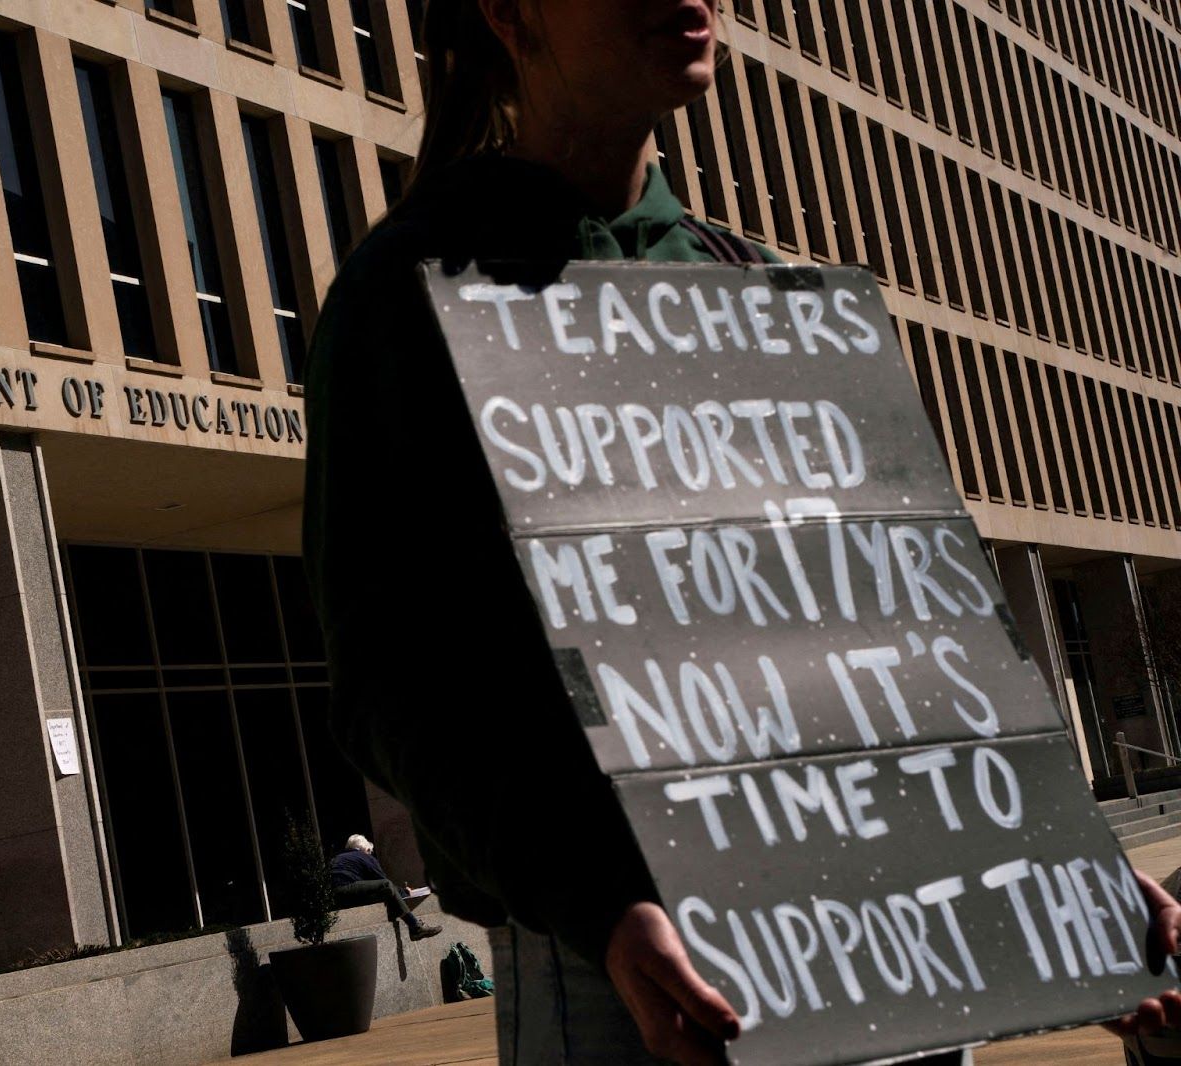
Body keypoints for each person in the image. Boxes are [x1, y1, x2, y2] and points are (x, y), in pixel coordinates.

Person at [302, 0, 1181, 1063]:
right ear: (509, 11)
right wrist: (598, 903)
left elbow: (901, 639)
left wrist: (1052, 869)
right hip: (641, 983)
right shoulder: (411, 295)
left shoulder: (762, 289)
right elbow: (398, 677)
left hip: (891, 951)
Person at [330, 833, 443, 941]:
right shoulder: (363, 856)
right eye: (370, 852)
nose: (370, 855)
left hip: (334, 898)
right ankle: (415, 926)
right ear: (366, 849)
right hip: (345, 889)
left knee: (385, 891)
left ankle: (411, 923)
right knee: (386, 885)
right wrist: (405, 892)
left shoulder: (339, 857)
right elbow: (383, 880)